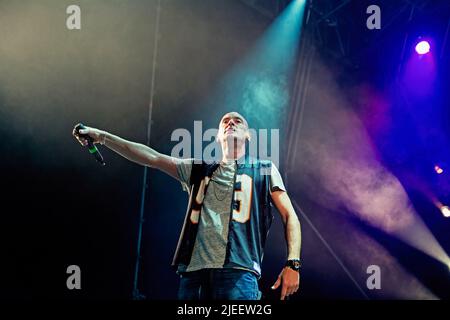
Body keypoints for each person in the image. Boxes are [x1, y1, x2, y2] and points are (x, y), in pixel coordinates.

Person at [72, 111, 301, 300]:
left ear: (249, 136)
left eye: (237, 121)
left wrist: (293, 263)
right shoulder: (198, 169)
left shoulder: (263, 168)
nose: (230, 122)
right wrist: (101, 136)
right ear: (218, 136)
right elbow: (152, 157)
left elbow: (289, 215)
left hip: (239, 274)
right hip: (193, 275)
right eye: (225, 121)